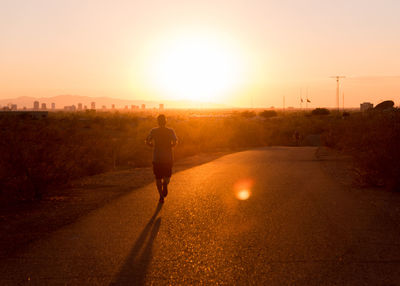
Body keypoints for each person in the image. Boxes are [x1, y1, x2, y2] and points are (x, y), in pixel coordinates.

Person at [145, 114, 178, 203]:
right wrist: (171, 146)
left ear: (158, 122)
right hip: (168, 158)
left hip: (157, 158)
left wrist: (151, 145)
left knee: (158, 177)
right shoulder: (170, 131)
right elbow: (175, 141)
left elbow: (147, 140)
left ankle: (161, 196)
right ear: (165, 121)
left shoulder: (153, 131)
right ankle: (165, 184)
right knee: (167, 176)